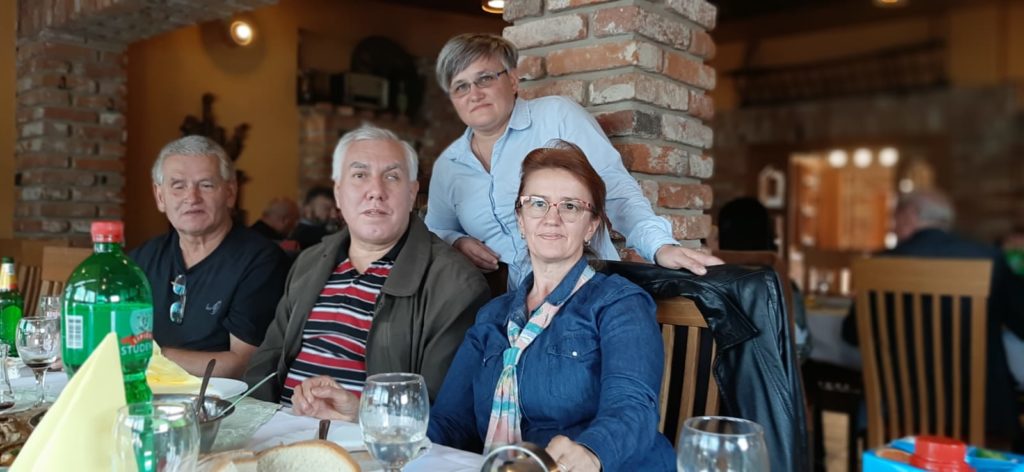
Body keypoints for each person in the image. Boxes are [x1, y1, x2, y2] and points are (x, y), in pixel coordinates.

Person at [289, 143, 674, 471]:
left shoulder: (618, 303)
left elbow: (633, 408)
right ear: (520, 220)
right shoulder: (494, 316)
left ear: (590, 226)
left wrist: (590, 452)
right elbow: (450, 424)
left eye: (571, 206)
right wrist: (366, 417)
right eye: (537, 204)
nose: (552, 218)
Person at [426, 33, 721, 289]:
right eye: (460, 86)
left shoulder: (556, 117)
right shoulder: (449, 165)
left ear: (513, 80)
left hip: (588, 294)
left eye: (485, 78)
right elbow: (434, 231)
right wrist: (456, 242)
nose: (474, 94)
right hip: (512, 305)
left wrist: (659, 245)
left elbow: (615, 189)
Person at [244, 124, 490, 405]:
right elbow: (264, 366)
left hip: (371, 432)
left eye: (392, 176)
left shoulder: (455, 284)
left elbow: (445, 410)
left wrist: (362, 412)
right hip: (282, 425)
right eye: (360, 175)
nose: (376, 191)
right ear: (338, 194)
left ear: (412, 194)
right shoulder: (309, 262)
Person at [840, 190, 1024, 448]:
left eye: (895, 218)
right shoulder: (989, 258)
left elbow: (851, 334)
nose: (893, 226)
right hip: (984, 420)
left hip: (898, 416)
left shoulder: (879, 264)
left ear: (910, 216)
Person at [131, 136, 291, 378]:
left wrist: (148, 357)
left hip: (221, 398)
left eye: (206, 185)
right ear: (160, 196)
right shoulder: (140, 261)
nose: (192, 197)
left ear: (230, 192)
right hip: (145, 391)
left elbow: (242, 364)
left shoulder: (260, 261)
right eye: (178, 186)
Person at [717, 197, 812, 361]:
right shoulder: (779, 281)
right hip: (772, 374)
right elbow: (800, 348)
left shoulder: (712, 280)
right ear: (767, 233)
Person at [289, 186, 340, 250]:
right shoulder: (307, 234)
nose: (334, 215)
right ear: (308, 209)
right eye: (327, 209)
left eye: (337, 209)